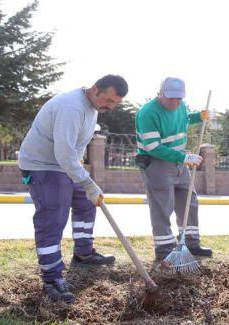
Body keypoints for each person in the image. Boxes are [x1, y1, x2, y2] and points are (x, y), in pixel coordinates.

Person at [18, 74, 128, 304]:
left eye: (114, 103)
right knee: (53, 217)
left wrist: (84, 184)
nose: (109, 106)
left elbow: (72, 153)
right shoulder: (71, 107)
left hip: (63, 166)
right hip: (43, 166)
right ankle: (52, 278)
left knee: (87, 202)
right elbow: (64, 153)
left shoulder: (93, 107)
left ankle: (83, 252)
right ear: (95, 88)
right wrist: (88, 182)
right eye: (107, 99)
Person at [135, 77, 213, 266]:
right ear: (161, 93)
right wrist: (184, 158)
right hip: (157, 162)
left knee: (189, 200)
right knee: (163, 205)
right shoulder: (148, 113)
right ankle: (164, 248)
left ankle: (191, 242)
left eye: (179, 99)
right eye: (171, 98)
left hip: (178, 162)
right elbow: (153, 147)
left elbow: (184, 119)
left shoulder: (181, 105)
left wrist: (198, 117)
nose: (176, 102)